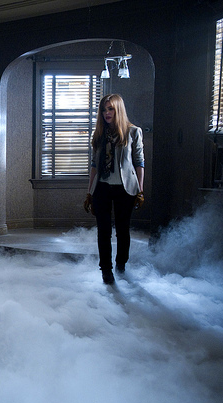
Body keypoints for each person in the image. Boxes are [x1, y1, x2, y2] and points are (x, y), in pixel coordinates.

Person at [84, 94, 145, 285]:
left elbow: (139, 162)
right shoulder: (99, 134)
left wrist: (140, 190)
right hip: (102, 187)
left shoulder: (133, 132)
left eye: (110, 109)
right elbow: (94, 165)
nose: (107, 113)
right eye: (104, 109)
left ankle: (121, 264)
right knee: (103, 231)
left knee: (122, 230)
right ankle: (106, 270)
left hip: (125, 188)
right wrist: (89, 192)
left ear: (118, 109)